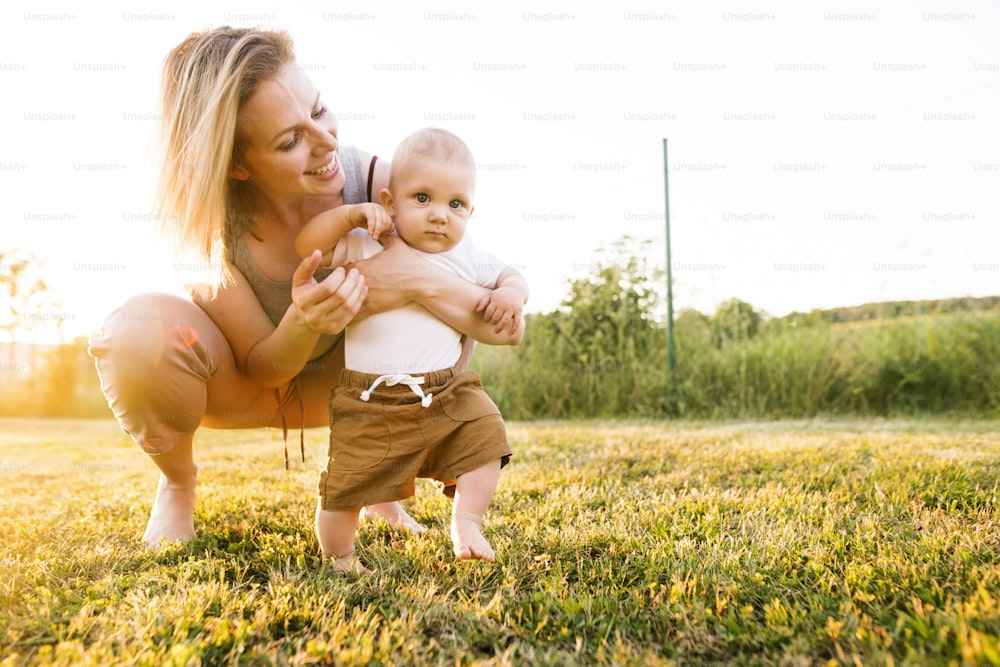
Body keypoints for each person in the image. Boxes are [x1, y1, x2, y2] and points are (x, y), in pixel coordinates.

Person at [87, 26, 522, 550]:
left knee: (419, 325)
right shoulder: (207, 228)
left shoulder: (391, 184)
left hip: (363, 390)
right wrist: (305, 320)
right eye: (291, 140)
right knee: (138, 333)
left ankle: (387, 483)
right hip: (256, 384)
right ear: (236, 164)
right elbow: (263, 370)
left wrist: (416, 278)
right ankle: (178, 481)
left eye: (318, 112)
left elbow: (476, 303)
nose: (328, 143)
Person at [295, 128, 528, 572]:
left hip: (443, 392)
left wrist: (511, 296)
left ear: (471, 211)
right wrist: (349, 216)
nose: (440, 215)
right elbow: (309, 246)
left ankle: (467, 521)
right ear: (389, 203)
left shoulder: (467, 254)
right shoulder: (367, 241)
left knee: (485, 436)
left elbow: (512, 275)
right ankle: (339, 556)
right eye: (422, 198)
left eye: (455, 204)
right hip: (370, 398)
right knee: (347, 485)